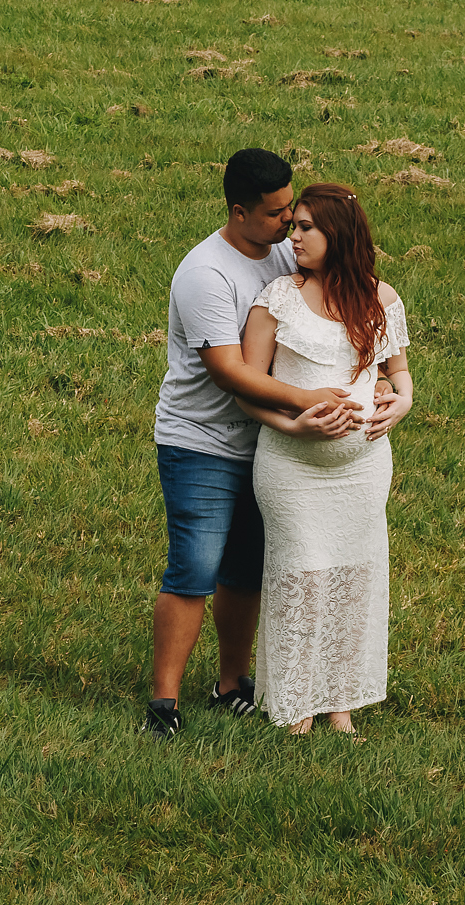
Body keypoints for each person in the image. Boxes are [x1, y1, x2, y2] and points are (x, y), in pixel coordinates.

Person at [145, 150, 365, 740]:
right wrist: (311, 400)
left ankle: (231, 685)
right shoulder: (205, 275)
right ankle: (162, 704)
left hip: (270, 446)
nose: (288, 222)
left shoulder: (280, 256)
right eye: (275, 214)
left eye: (291, 207)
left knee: (244, 571)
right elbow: (229, 372)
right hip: (202, 442)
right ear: (238, 212)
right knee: (194, 567)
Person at [235, 183, 415, 734]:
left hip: (362, 468)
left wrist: (401, 402)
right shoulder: (278, 298)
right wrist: (295, 423)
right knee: (302, 576)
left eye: (305, 227)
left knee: (354, 578)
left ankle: (341, 706)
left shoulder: (380, 298)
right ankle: (295, 709)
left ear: (337, 233)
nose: (294, 237)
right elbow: (247, 389)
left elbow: (397, 374)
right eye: (293, 226)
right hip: (291, 467)